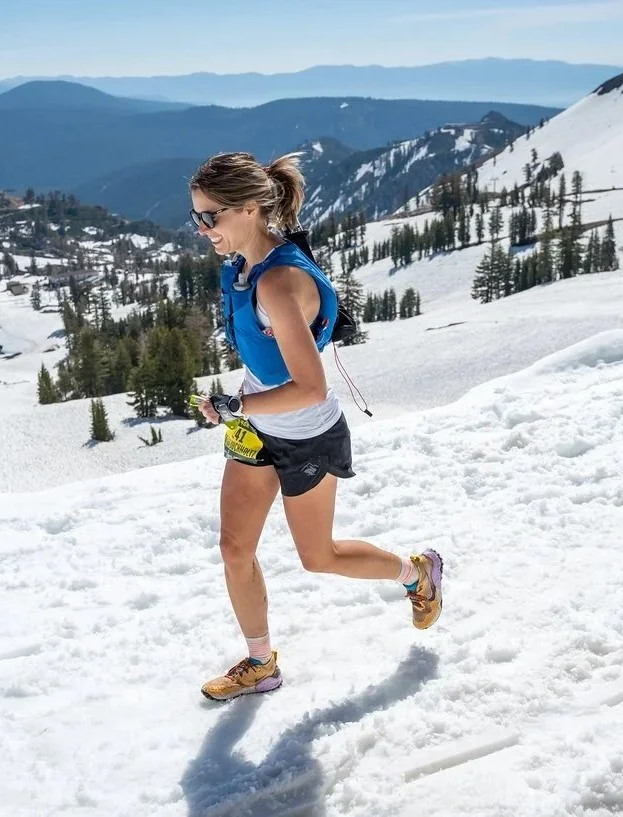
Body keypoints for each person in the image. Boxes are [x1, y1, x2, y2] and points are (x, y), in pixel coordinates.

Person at [189, 151, 444, 702]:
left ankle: (416, 572)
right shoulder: (244, 266)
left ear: (251, 209)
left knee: (318, 556)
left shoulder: (279, 283)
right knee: (236, 549)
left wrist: (237, 407)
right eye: (198, 218)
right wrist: (240, 406)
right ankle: (261, 663)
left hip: (306, 433)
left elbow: (309, 388)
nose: (204, 229)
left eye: (212, 216)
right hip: (257, 423)